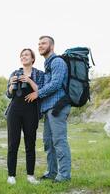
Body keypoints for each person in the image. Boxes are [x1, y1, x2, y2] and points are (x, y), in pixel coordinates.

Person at [25, 36, 72, 183]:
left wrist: (37, 93)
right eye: (39, 44)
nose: (40, 46)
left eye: (43, 43)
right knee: (48, 142)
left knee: (59, 141)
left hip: (58, 107)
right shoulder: (48, 64)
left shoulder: (57, 61)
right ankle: (52, 172)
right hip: (48, 108)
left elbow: (56, 84)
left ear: (51, 46)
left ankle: (64, 175)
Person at [5, 48, 44, 185]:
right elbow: (9, 94)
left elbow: (42, 91)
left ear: (33, 58)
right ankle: (11, 176)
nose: (24, 57)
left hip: (31, 111)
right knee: (13, 143)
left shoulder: (38, 74)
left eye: (26, 55)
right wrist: (11, 85)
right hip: (14, 111)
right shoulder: (14, 73)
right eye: (22, 55)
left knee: (30, 144)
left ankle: (30, 176)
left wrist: (28, 80)